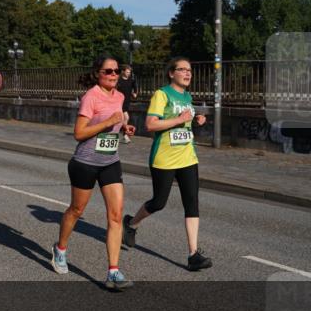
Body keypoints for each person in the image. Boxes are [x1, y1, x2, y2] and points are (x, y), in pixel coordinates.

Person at [51, 55, 135, 291]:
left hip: (110, 161)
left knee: (116, 215)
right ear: (98, 73)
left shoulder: (119, 96)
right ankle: (60, 249)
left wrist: (123, 128)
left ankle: (113, 272)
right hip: (85, 162)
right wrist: (109, 121)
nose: (113, 75)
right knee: (77, 210)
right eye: (108, 71)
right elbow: (79, 133)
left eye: (116, 71)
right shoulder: (91, 96)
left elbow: (114, 126)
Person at [123, 57, 212, 271]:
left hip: (188, 157)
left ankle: (193, 254)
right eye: (182, 69)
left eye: (189, 70)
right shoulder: (161, 94)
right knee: (159, 202)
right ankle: (131, 224)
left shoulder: (187, 96)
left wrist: (196, 119)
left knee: (192, 203)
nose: (188, 73)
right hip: (164, 158)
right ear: (171, 73)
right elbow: (151, 124)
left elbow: (184, 121)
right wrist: (179, 119)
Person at [116, 64, 139, 144]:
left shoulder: (131, 80)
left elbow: (135, 86)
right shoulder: (118, 81)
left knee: (123, 118)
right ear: (123, 72)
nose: (128, 73)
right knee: (126, 117)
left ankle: (122, 134)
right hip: (118, 102)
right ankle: (125, 136)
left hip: (126, 102)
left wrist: (135, 93)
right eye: (127, 72)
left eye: (129, 72)